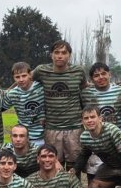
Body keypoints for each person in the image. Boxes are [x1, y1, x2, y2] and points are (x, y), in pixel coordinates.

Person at [33, 41, 87, 169]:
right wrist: (5, 93)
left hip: (74, 127)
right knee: (53, 164)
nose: (60, 56)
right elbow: (26, 83)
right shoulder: (41, 71)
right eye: (56, 52)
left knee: (74, 166)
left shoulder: (78, 71)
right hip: (52, 127)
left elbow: (86, 90)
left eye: (64, 53)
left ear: (69, 55)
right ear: (51, 55)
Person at [4, 61, 46, 146]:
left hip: (45, 136)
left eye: (24, 76)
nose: (21, 79)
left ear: (30, 74)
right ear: (14, 78)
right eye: (17, 77)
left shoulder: (41, 87)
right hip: (25, 138)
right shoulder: (12, 94)